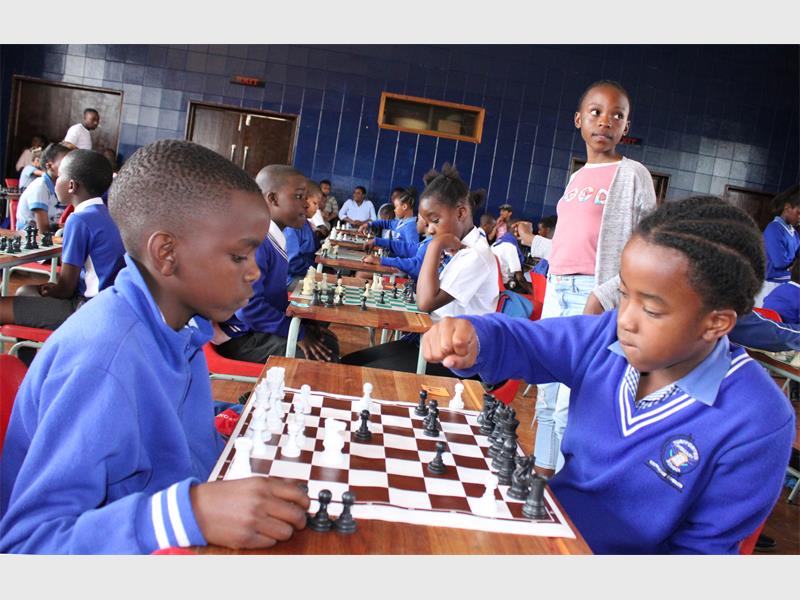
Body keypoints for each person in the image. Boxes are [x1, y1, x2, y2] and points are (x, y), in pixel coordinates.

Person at [421, 196, 795, 554]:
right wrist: (475, 337)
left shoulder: (758, 418)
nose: (625, 319)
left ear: (716, 323)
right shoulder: (605, 337)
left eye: (652, 310)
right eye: (625, 295)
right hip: (549, 534)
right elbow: (527, 342)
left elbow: (702, 552)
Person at [0, 140, 310, 553]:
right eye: (240, 256)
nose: (255, 272)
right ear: (166, 253)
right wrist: (192, 513)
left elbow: (164, 424)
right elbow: (26, 547)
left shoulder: (180, 328)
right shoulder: (103, 361)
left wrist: (242, 419)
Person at [519, 80, 657, 476]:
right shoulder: (578, 177)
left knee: (572, 399)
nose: (605, 121)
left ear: (626, 127)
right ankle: (542, 477)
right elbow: (568, 245)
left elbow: (650, 247)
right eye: (596, 112)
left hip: (592, 293)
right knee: (547, 393)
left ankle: (567, 491)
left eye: (617, 115)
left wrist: (604, 295)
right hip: (559, 289)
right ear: (579, 119)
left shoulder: (632, 174)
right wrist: (534, 244)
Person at [342, 164, 499, 375]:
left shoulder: (475, 254)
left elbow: (425, 302)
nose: (430, 230)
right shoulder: (460, 247)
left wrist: (435, 246)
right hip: (428, 338)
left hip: (454, 356)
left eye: (435, 221)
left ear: (461, 212)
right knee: (348, 364)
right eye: (427, 223)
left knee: (358, 374)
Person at [216, 165, 339, 363]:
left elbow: (270, 297)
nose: (305, 204)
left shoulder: (270, 235)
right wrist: (296, 333)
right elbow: (247, 308)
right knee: (324, 358)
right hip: (241, 337)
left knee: (327, 341)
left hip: (255, 329)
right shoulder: (256, 242)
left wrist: (300, 326)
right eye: (299, 196)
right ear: (273, 199)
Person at [0, 149, 125, 331]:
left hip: (87, 308)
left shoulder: (79, 219)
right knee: (24, 291)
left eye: (59, 177)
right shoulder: (108, 214)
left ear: (71, 185)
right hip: (110, 303)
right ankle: (33, 350)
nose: (56, 181)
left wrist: (51, 289)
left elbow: (66, 288)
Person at [757, 184, 800, 306]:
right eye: (799, 213)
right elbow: (780, 263)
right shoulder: (774, 229)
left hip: (784, 282)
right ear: (787, 208)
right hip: (771, 284)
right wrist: (793, 263)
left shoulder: (794, 233)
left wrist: (793, 263)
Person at [15, 143, 72, 232]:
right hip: (30, 237)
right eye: (66, 163)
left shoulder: (60, 186)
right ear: (49, 166)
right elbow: (43, 231)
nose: (71, 166)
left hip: (49, 234)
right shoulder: (40, 187)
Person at [491, 219, 531, 293]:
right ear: (515, 229)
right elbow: (520, 278)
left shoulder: (497, 242)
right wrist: (532, 292)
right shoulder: (510, 247)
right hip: (506, 285)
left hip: (494, 284)